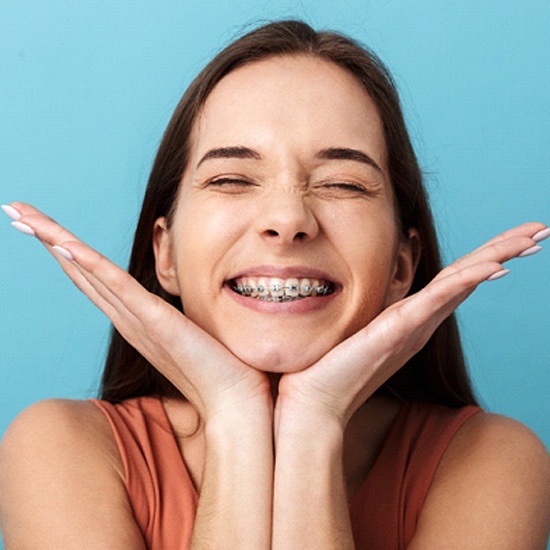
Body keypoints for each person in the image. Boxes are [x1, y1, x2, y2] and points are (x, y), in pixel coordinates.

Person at [0, 19, 549, 549]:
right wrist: (235, 416)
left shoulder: (492, 460)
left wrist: (313, 424)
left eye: (343, 183)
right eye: (232, 179)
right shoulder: (60, 449)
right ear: (164, 254)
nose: (288, 220)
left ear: (402, 267)